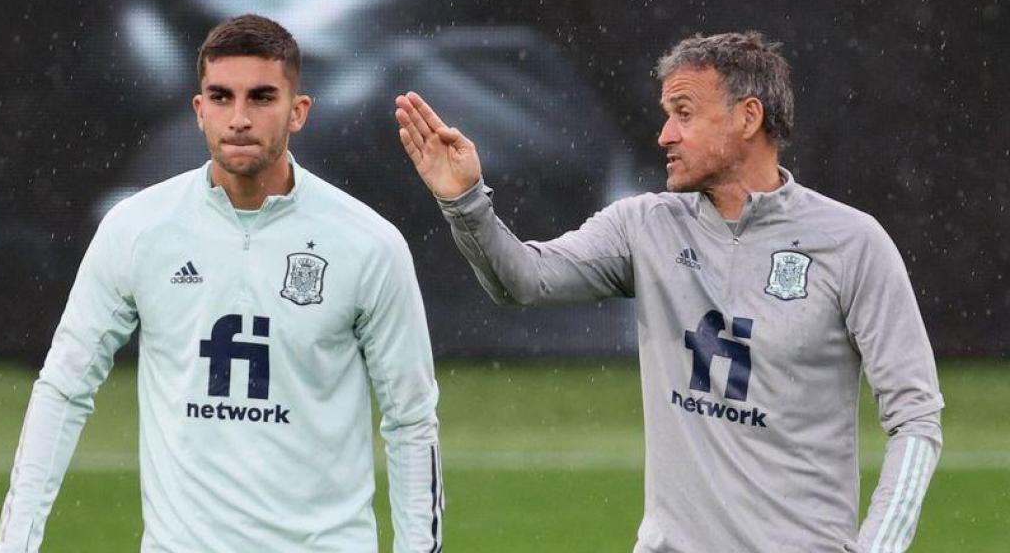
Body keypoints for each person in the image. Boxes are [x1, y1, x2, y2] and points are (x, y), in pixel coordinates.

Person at [395, 31, 942, 553]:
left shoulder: (851, 243)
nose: (665, 135)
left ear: (748, 117)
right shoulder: (645, 226)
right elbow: (524, 280)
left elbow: (915, 416)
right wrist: (466, 201)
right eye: (666, 115)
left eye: (684, 113)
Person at [0, 14, 443, 553]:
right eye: (221, 97)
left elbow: (411, 419)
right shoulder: (138, 229)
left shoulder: (369, 243)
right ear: (199, 110)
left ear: (298, 111)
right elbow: (64, 388)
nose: (239, 118)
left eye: (261, 97)